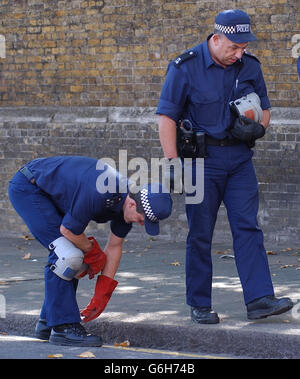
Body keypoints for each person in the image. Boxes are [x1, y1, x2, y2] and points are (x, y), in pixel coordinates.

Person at [157, 9, 293, 324]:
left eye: (243, 47)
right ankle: (200, 304)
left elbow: (266, 108)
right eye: (233, 47)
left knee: (248, 228)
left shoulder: (250, 66)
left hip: (239, 161)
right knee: (201, 233)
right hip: (200, 163)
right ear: (216, 38)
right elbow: (166, 116)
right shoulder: (185, 67)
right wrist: (172, 162)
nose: (238, 53)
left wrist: (259, 128)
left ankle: (259, 299)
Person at [8, 155, 172, 345]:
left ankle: (48, 322)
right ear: (133, 204)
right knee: (68, 256)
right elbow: (68, 230)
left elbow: (114, 246)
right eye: (142, 219)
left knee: (74, 256)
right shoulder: (101, 192)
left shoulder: (126, 207)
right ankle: (63, 328)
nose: (141, 224)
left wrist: (102, 293)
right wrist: (92, 251)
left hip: (50, 194)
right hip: (30, 188)